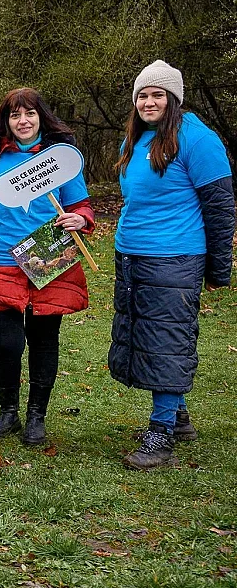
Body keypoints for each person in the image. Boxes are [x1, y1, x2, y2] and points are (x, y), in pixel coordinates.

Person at [110, 60, 234, 469]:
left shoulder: (198, 140)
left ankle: (160, 434)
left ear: (174, 99)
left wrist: (219, 268)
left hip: (174, 258)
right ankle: (178, 415)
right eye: (143, 95)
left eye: (157, 94)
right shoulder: (135, 139)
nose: (149, 101)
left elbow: (220, 207)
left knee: (166, 342)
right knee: (149, 337)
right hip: (133, 254)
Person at [0, 88, 94, 446]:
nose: (23, 121)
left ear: (41, 117)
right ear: (6, 121)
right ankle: (8, 411)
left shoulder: (61, 160)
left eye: (30, 114)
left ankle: (37, 415)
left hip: (48, 262)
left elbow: (81, 206)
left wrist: (79, 220)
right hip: (1, 262)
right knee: (5, 344)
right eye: (15, 115)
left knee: (43, 341)